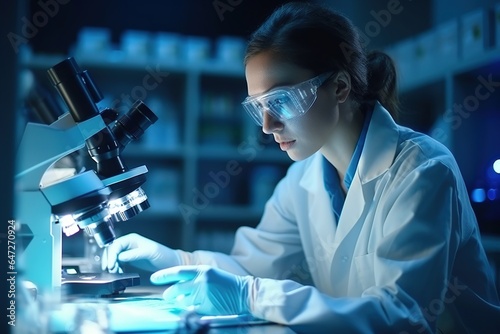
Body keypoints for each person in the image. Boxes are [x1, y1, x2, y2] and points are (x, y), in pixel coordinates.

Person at [102, 2, 500, 332]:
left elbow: (399, 316)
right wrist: (171, 259)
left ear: (340, 87)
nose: (267, 126)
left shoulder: (422, 171)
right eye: (258, 107)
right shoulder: (304, 178)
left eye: (281, 101)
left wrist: (251, 295)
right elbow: (251, 267)